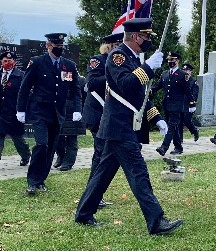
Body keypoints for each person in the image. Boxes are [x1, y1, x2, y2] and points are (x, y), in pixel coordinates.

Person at [73, 18, 183, 235]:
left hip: (122, 126)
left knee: (103, 173)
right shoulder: (118, 56)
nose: (148, 40)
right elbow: (126, 85)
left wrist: (156, 118)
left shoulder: (132, 58)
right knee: (138, 172)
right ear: (135, 36)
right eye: (146, 36)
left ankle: (84, 213)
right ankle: (156, 221)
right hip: (119, 126)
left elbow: (139, 97)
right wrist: (149, 67)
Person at [16, 33, 82, 195]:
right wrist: (20, 109)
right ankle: (32, 181)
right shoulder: (38, 63)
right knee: (41, 144)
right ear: (48, 46)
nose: (59, 49)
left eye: (61, 47)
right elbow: (25, 87)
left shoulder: (69, 66)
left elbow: (75, 90)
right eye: (56, 46)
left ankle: (41, 180)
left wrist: (77, 109)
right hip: (39, 111)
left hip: (57, 113)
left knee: (51, 147)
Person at [81, 33, 121, 208]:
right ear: (111, 46)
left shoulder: (119, 62)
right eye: (118, 45)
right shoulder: (98, 60)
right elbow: (92, 83)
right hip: (97, 114)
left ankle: (95, 194)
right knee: (100, 155)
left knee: (104, 155)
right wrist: (112, 76)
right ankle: (93, 196)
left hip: (109, 115)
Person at [0, 50, 31, 171]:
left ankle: (26, 155)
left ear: (14, 62)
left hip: (13, 112)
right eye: (5, 61)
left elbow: (26, 94)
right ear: (1, 62)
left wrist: (23, 111)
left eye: (10, 61)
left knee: (17, 138)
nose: (7, 63)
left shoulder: (21, 76)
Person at [151, 51, 195, 156]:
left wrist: (192, 103)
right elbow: (157, 86)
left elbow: (187, 90)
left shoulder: (182, 75)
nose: (170, 62)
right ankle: (178, 147)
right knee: (173, 127)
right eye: (169, 60)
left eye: (172, 60)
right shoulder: (165, 74)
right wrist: (149, 91)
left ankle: (163, 147)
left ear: (177, 61)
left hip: (177, 106)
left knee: (171, 126)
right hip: (167, 105)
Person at [53, 72, 87, 171]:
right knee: (57, 139)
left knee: (71, 139)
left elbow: (84, 96)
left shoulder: (81, 80)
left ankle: (68, 163)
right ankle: (61, 157)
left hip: (73, 113)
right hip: (58, 112)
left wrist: (80, 110)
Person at [180, 63, 200, 141]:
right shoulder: (181, 80)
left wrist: (192, 105)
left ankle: (194, 131)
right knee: (179, 121)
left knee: (187, 120)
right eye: (184, 70)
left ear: (190, 72)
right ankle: (180, 139)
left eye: (187, 70)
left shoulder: (193, 82)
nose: (186, 72)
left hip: (189, 105)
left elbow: (194, 95)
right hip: (180, 104)